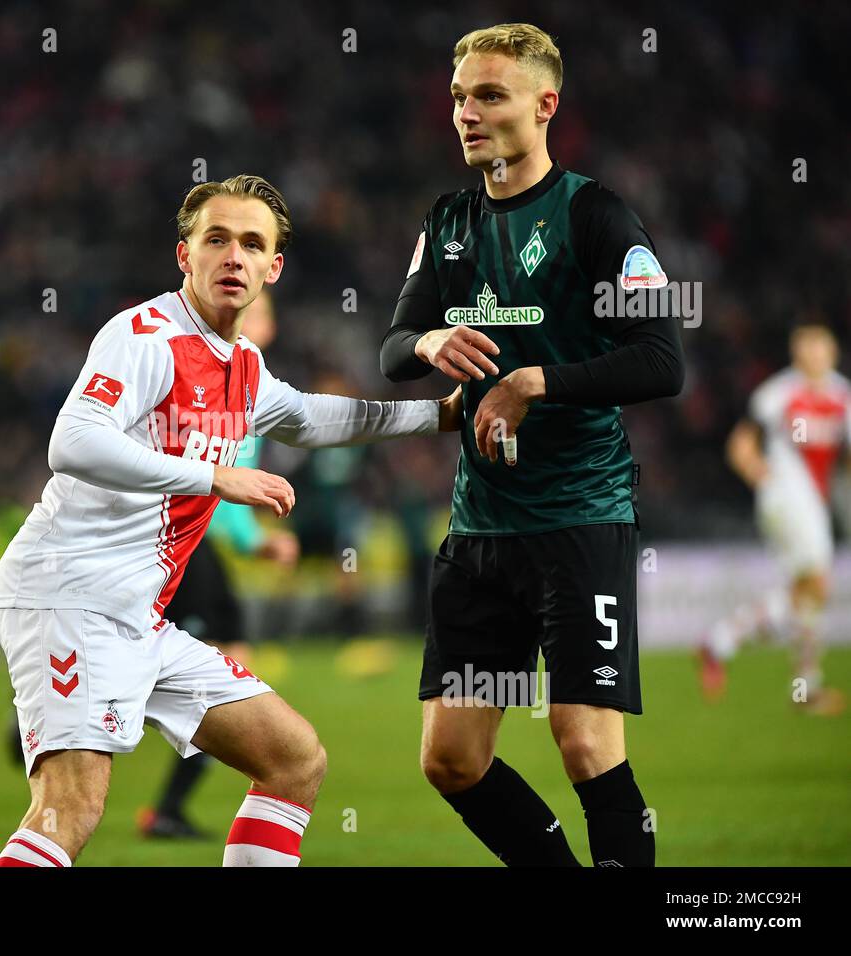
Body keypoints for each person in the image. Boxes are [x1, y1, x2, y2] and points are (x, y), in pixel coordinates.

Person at [0, 174, 462, 867]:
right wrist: (213, 476)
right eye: (216, 239)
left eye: (251, 243)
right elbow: (73, 442)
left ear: (274, 267)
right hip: (69, 596)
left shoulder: (242, 363)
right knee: (70, 807)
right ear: (185, 255)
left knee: (293, 759)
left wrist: (435, 415)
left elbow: (305, 417)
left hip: (137, 616)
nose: (232, 256)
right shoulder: (145, 336)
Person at [381, 23, 684, 867]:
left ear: (545, 105)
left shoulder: (597, 216)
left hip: (579, 520)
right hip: (481, 532)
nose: (466, 113)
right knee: (451, 758)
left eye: (489, 95)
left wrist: (533, 381)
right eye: (458, 97)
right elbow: (393, 345)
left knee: (583, 740)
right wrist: (430, 344)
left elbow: (662, 360)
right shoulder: (447, 223)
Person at [137, 290, 300, 840]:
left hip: (192, 543)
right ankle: (60, 715)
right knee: (210, 674)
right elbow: (215, 483)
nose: (257, 319)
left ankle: (168, 807)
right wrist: (256, 543)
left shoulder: (247, 381)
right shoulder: (221, 380)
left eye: (262, 311)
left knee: (226, 665)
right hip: (187, 546)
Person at [701, 323, 849, 715]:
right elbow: (739, 447)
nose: (814, 354)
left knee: (808, 594)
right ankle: (800, 681)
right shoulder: (779, 394)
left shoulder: (842, 396)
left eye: (821, 346)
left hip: (814, 504)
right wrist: (766, 480)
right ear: (796, 351)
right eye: (807, 346)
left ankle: (730, 645)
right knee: (815, 585)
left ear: (832, 352)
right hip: (787, 496)